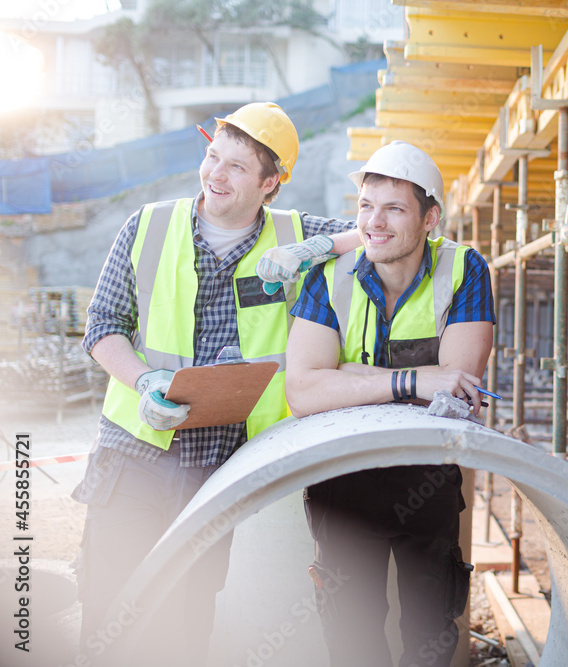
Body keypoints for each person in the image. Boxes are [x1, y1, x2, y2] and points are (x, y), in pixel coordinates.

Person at [74, 101, 360, 666]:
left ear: (270, 182)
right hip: (135, 452)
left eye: (236, 166)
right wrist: (143, 379)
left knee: (188, 611)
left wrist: (317, 249)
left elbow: (377, 232)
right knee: (110, 601)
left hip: (220, 467)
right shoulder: (148, 225)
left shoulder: (293, 234)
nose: (215, 175)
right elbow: (103, 327)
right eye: (213, 156)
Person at [281, 140, 495, 666]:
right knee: (353, 642)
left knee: (429, 637)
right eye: (366, 207)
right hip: (340, 483)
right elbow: (303, 391)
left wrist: (350, 376)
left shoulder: (465, 269)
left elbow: (457, 389)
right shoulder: (327, 276)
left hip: (427, 481)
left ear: (430, 218)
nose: (374, 222)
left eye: (394, 208)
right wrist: (413, 381)